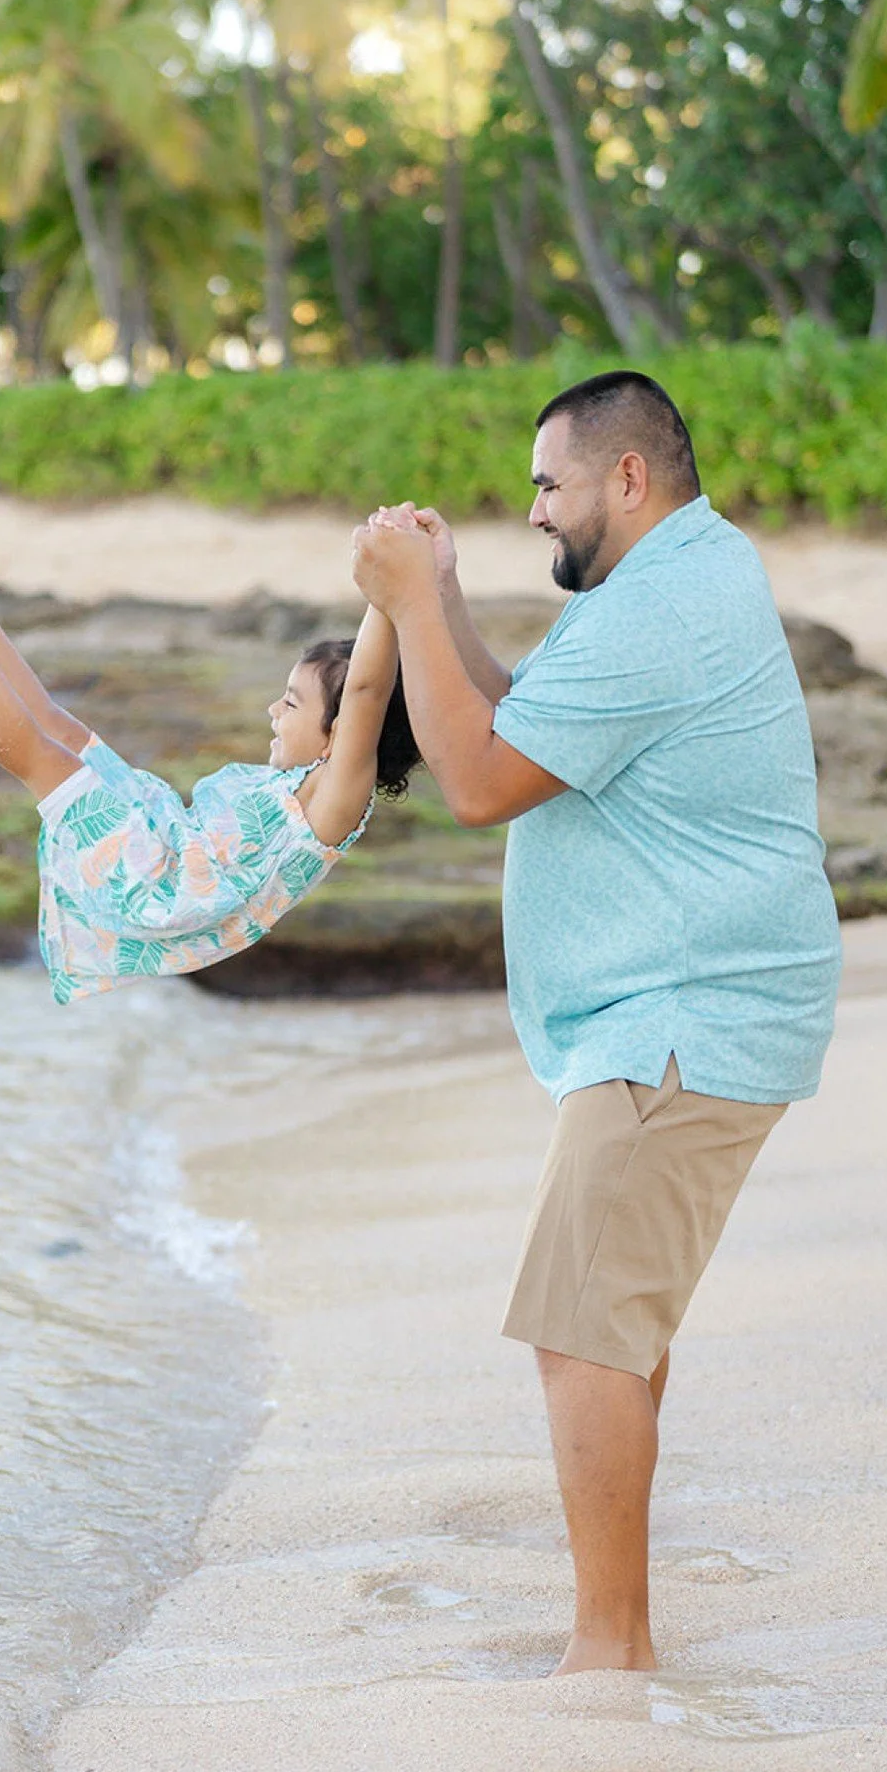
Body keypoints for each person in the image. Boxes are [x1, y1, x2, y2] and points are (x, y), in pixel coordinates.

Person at [354, 370, 841, 1676]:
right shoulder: (676, 579)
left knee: (580, 1328)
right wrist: (444, 599)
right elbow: (533, 716)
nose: (532, 512)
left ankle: (608, 1647)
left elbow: (481, 776)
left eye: (547, 485)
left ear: (627, 479)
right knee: (612, 1324)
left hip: (681, 1015)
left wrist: (402, 603)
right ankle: (615, 1626)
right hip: (699, 1001)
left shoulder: (661, 605)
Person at [0, 514, 420, 1002]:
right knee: (60, 731)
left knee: (43, 761)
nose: (273, 710)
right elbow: (361, 694)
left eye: (290, 703)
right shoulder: (306, 784)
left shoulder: (334, 798)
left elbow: (366, 691)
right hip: (169, 834)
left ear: (340, 736)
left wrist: (387, 594)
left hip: (162, 884)